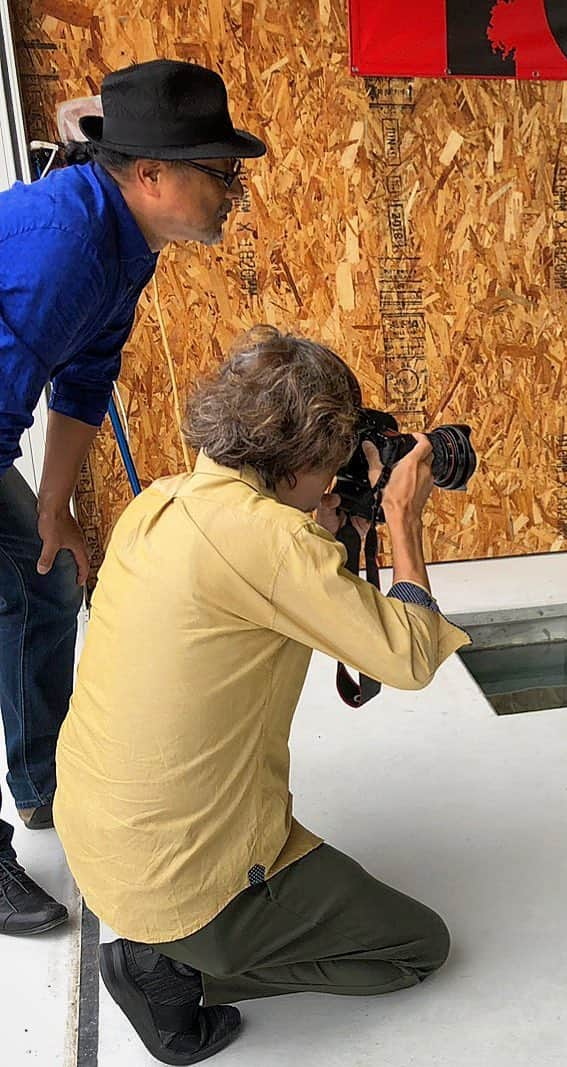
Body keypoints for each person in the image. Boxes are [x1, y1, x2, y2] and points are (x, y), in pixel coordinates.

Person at [54, 326, 470, 1063]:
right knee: (417, 947)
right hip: (178, 880)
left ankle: (168, 946)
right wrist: (402, 517)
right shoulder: (274, 544)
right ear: (304, 457)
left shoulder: (161, 502)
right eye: (332, 464)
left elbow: (270, 573)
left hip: (100, 844)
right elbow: (407, 657)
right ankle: (174, 969)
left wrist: (333, 527)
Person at [0, 58, 264, 934]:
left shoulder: (125, 246)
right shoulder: (64, 241)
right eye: (217, 173)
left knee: (43, 577)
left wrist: (54, 507)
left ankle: (45, 786)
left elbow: (81, 379)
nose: (232, 191)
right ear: (149, 175)